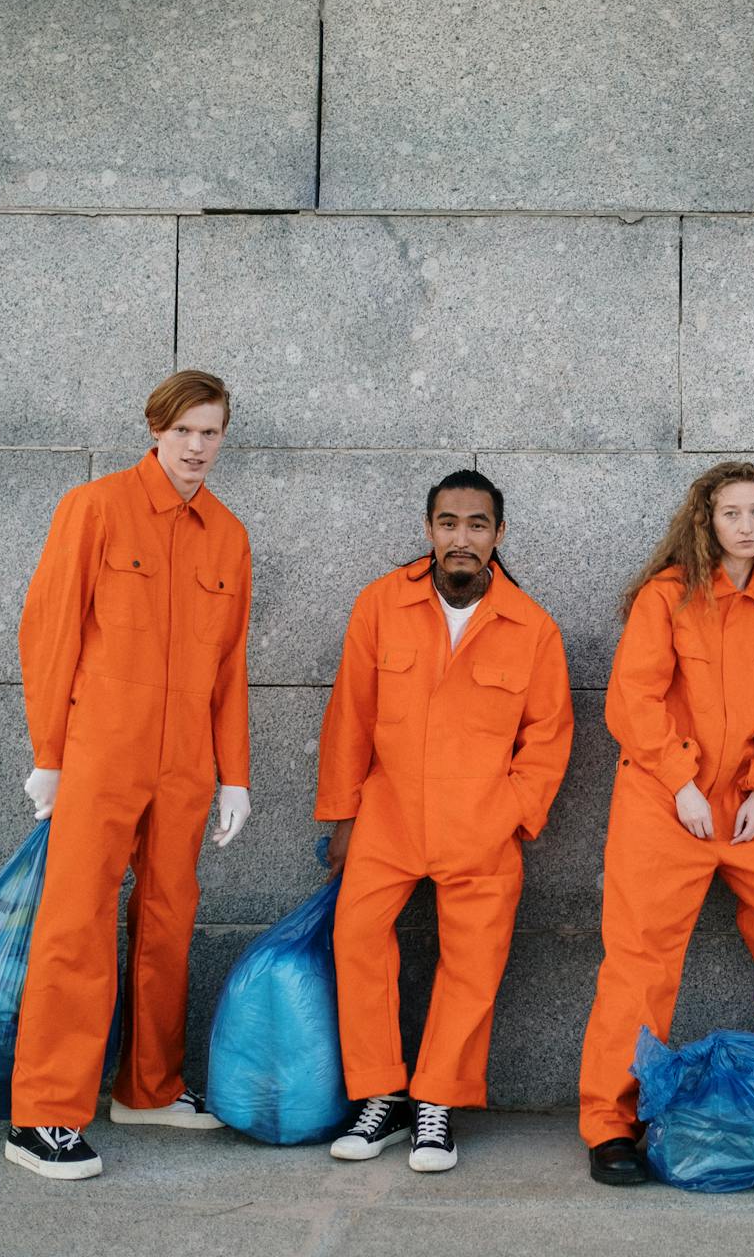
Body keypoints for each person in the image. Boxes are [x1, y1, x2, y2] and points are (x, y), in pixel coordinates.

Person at [578, 461, 754, 1185]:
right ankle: (613, 1125)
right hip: (661, 801)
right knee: (639, 958)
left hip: (747, 805)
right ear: (705, 522)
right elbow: (631, 700)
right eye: (731, 513)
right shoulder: (667, 597)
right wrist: (679, 780)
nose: (745, 525)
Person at [6, 370, 253, 1180]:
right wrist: (51, 755)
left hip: (184, 760)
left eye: (211, 433)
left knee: (169, 919)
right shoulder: (97, 507)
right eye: (185, 431)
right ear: (155, 429)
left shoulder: (228, 534)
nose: (197, 448)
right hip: (102, 752)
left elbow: (229, 668)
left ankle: (148, 1086)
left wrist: (234, 773)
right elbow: (49, 631)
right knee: (75, 925)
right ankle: (41, 1115)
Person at [315, 470, 573, 1174]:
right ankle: (381, 1097)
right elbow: (349, 717)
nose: (463, 537)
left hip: (481, 830)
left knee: (473, 967)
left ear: (499, 535)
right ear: (429, 530)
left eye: (478, 524)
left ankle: (436, 1105)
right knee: (358, 942)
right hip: (386, 817)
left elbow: (548, 739)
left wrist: (513, 816)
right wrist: (341, 816)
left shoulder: (532, 628)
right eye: (449, 523)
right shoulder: (380, 604)